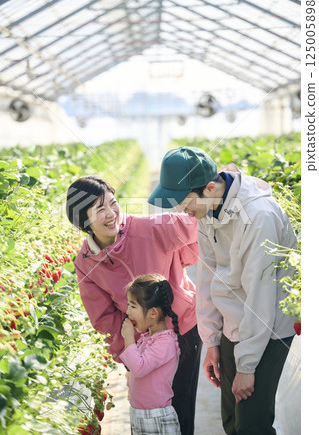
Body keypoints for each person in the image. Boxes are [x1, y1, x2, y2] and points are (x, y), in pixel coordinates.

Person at [148, 146, 297, 435]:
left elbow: (261, 296)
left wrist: (247, 366)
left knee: (252, 424)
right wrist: (212, 341)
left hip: (266, 328)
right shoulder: (207, 212)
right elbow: (207, 277)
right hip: (234, 324)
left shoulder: (258, 218)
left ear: (210, 187)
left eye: (184, 201)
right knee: (231, 421)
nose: (182, 210)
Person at [66, 175, 202, 435]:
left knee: (180, 411)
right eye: (100, 208)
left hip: (183, 328)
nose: (111, 213)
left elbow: (196, 228)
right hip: (143, 346)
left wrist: (180, 261)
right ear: (83, 220)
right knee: (148, 413)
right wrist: (129, 356)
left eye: (113, 203)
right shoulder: (86, 262)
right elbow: (104, 318)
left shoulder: (149, 227)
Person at [120, 274, 182, 435]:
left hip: (156, 418)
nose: (128, 311)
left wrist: (128, 337)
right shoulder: (148, 338)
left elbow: (139, 368)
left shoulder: (165, 342)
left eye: (133, 306)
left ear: (153, 312)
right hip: (139, 415)